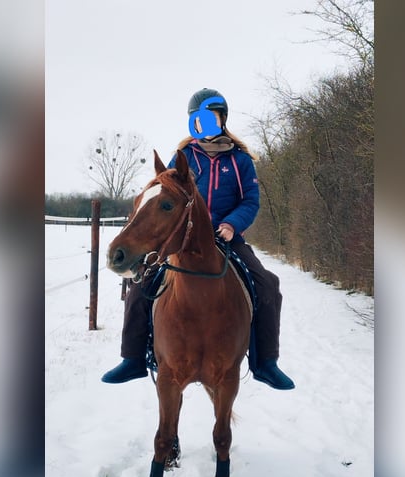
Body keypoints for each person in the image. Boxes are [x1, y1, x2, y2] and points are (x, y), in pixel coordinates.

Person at [101, 88, 295, 390]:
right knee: (141, 286)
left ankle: (265, 362)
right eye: (197, 119)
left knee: (268, 285)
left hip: (227, 238)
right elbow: (163, 194)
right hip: (184, 239)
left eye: (210, 117)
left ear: (222, 118)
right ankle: (133, 358)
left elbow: (250, 201)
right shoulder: (185, 157)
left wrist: (232, 224)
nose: (203, 124)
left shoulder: (241, 160)